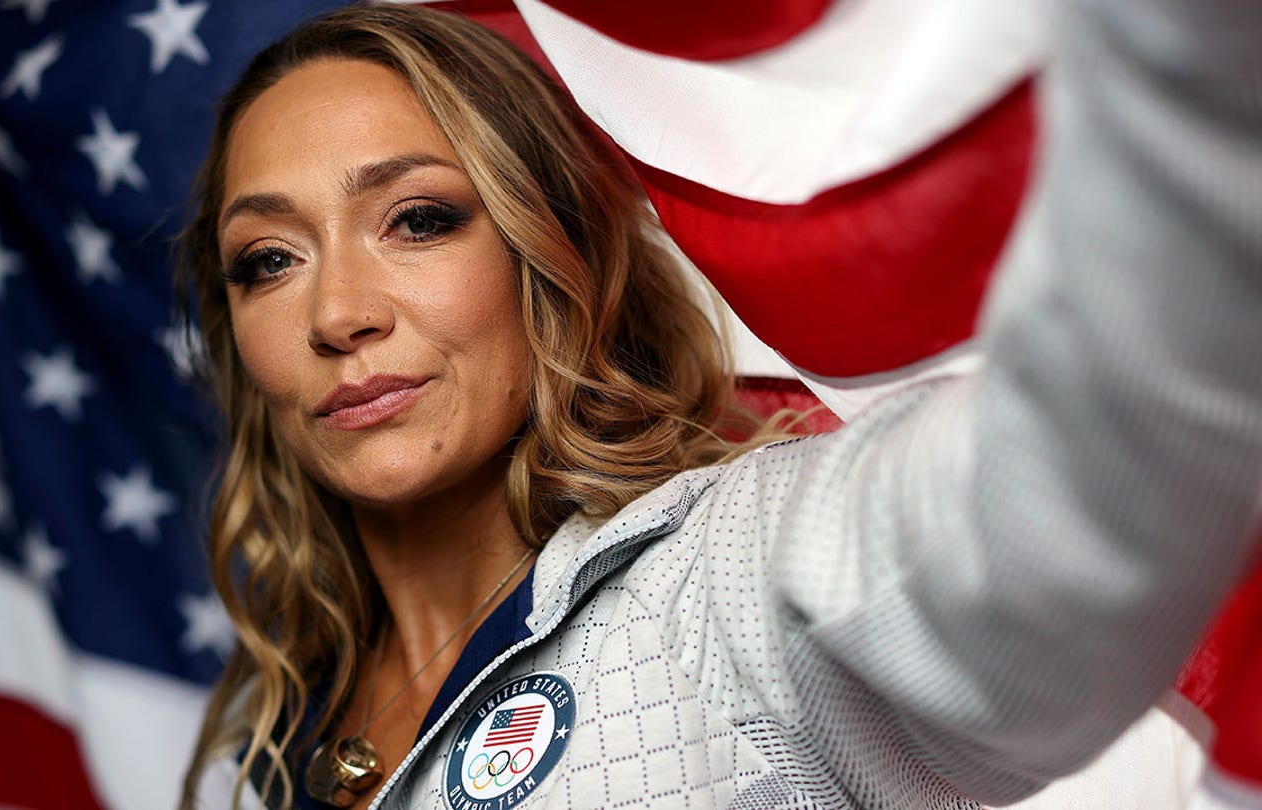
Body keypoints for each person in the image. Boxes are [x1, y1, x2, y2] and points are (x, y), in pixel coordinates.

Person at [176, 2, 1262, 809]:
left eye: (418, 220)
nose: (338, 313)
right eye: (269, 259)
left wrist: (1188, 72)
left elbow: (1071, 499)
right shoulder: (255, 748)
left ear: (551, 255)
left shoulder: (734, 583)